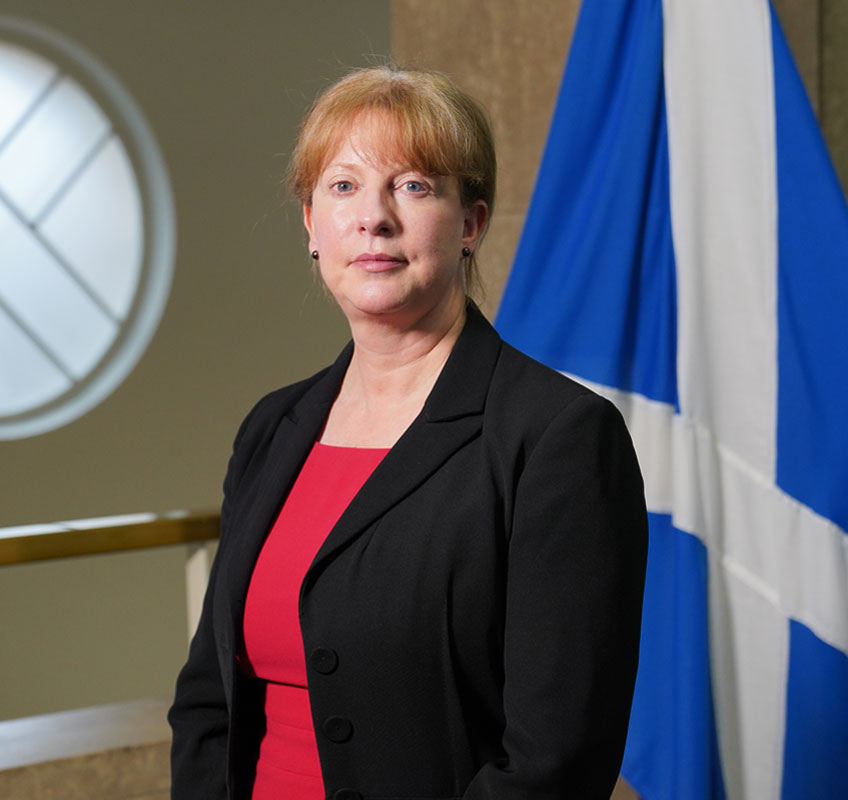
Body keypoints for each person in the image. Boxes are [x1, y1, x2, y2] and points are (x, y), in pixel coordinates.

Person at [169, 65, 648, 800]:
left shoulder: (558, 439)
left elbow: (558, 760)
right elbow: (208, 698)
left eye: (414, 186)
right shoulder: (272, 428)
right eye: (343, 186)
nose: (374, 218)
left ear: (471, 224)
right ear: (311, 225)